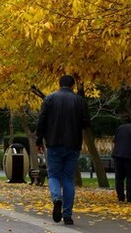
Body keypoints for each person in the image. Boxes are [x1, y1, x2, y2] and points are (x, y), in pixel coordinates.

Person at [36, 75, 91, 226]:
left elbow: (41, 121)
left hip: (53, 143)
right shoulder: (79, 101)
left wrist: (38, 140)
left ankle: (56, 198)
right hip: (73, 144)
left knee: (53, 175)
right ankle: (67, 215)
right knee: (68, 179)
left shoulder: (49, 99)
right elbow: (87, 122)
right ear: (73, 86)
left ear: (59, 84)